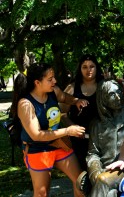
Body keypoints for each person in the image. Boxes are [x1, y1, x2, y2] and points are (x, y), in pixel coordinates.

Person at [10, 63, 89, 197]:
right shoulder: (25, 104)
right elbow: (37, 135)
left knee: (81, 183)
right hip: (37, 149)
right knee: (42, 193)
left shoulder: (53, 91)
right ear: (37, 82)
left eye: (54, 77)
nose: (55, 81)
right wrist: (67, 131)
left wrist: (76, 101)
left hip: (58, 144)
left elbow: (64, 97)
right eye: (50, 79)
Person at [77, 79, 124, 197]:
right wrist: (95, 173)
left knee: (103, 180)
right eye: (111, 94)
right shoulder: (97, 124)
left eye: (119, 92)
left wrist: (100, 178)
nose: (118, 97)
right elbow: (92, 154)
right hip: (104, 171)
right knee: (110, 193)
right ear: (103, 98)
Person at [59, 54, 104, 171]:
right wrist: (72, 126)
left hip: (101, 139)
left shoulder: (104, 86)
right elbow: (62, 113)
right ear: (80, 69)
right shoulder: (72, 88)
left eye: (91, 66)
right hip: (78, 140)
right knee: (81, 176)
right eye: (84, 67)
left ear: (97, 68)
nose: (88, 70)